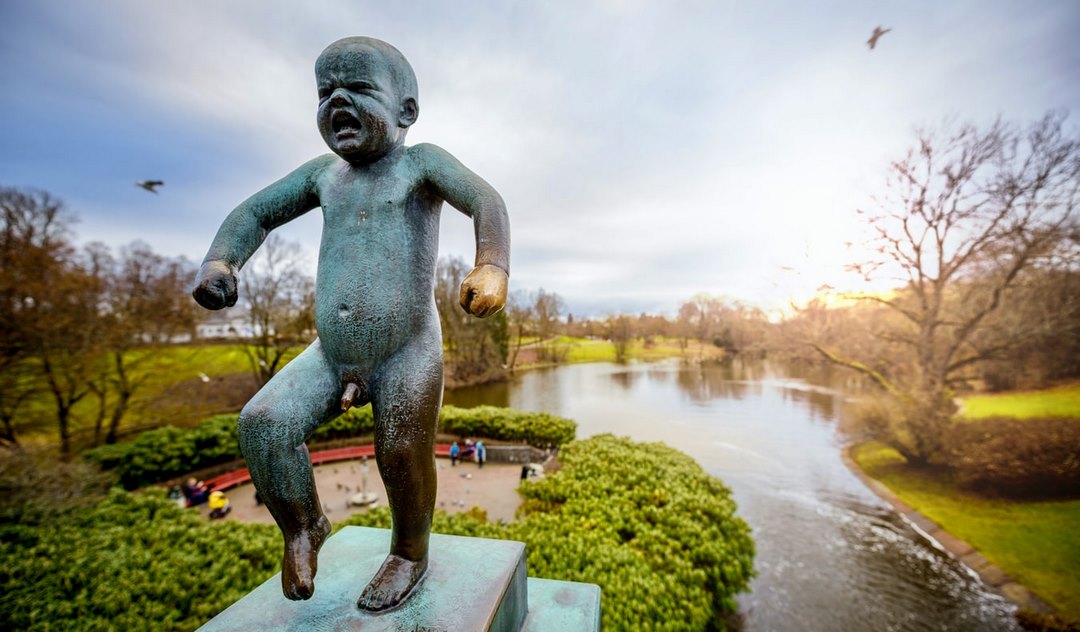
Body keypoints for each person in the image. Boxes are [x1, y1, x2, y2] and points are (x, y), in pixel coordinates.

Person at [192, 36, 509, 611]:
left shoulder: (420, 164)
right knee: (263, 425)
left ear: (406, 111)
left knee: (399, 452)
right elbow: (256, 212)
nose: (337, 100)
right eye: (324, 93)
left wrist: (491, 265)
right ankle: (304, 526)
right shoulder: (323, 175)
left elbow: (486, 200)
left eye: (358, 89)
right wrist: (221, 260)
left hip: (406, 349)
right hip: (331, 352)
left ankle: (409, 552)